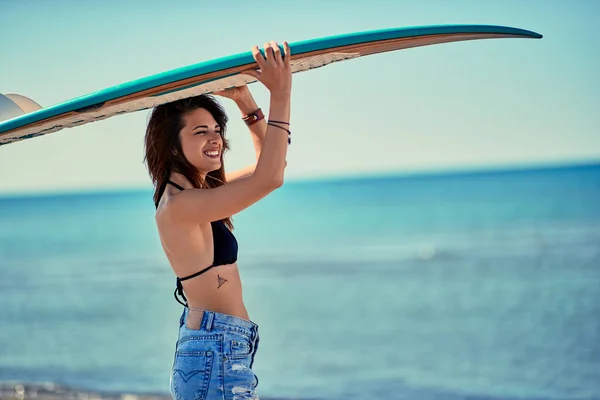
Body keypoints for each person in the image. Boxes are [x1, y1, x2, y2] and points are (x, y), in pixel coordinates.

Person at [143, 40, 292, 400]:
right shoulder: (180, 204)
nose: (216, 140)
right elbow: (270, 177)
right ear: (173, 146)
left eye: (216, 129)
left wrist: (245, 102)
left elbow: (272, 163)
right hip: (215, 352)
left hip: (220, 348)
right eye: (200, 132)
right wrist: (281, 92)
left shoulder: (200, 194)